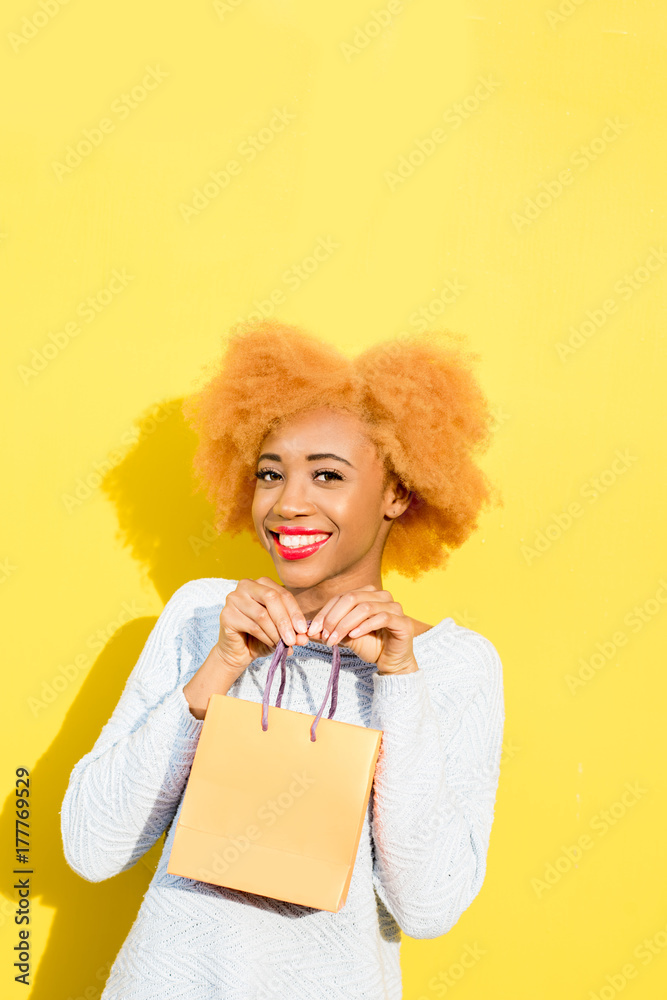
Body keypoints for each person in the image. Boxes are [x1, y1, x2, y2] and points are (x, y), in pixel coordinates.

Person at [60, 318, 505, 1000]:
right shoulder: (203, 616)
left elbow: (429, 906)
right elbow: (91, 848)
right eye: (270, 474)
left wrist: (397, 681)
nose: (288, 503)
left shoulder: (452, 665)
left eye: (327, 475)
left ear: (397, 493)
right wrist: (215, 672)